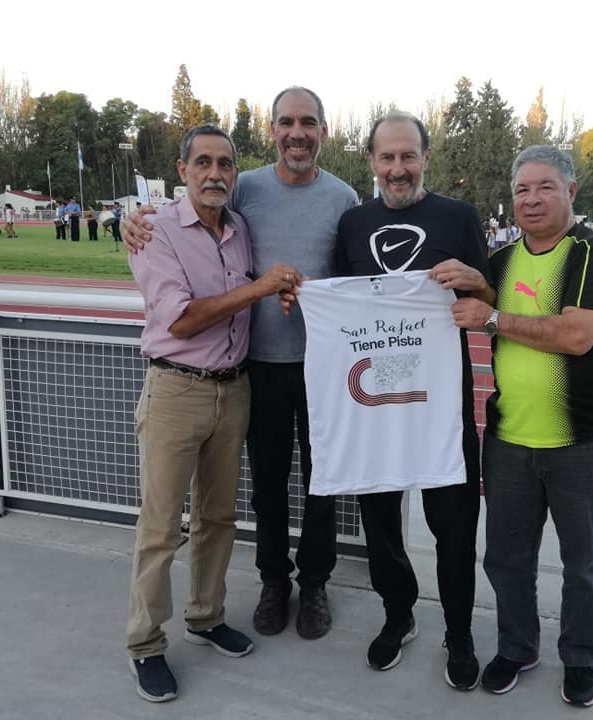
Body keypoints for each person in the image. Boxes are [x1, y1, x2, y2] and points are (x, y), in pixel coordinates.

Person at [123, 86, 358, 641]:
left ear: (323, 131)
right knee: (268, 484)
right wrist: (132, 220)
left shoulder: (343, 197)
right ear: (273, 131)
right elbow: (182, 226)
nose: (296, 132)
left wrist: (314, 293)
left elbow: (351, 282)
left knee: (324, 481)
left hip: (321, 366)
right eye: (285, 122)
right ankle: (275, 581)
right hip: (256, 365)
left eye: (308, 122)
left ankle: (315, 583)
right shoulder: (244, 187)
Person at [298, 111, 493, 690]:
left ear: (426, 157)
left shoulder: (458, 217)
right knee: (380, 521)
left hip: (440, 402)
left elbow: (490, 294)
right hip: (374, 405)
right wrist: (301, 300)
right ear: (372, 163)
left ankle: (458, 631)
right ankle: (398, 614)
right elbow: (339, 303)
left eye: (408, 156)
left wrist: (476, 283)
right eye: (387, 158)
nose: (398, 168)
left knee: (454, 525)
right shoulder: (354, 223)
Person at [125, 124, 301, 703]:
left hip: (234, 389)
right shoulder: (155, 229)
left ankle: (205, 616)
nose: (215, 173)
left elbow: (245, 294)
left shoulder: (239, 228)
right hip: (177, 391)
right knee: (160, 529)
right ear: (182, 170)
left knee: (218, 518)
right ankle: (146, 643)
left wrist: (276, 291)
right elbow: (180, 319)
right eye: (203, 162)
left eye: (225, 163)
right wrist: (258, 290)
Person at [448, 145, 593, 708]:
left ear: (571, 192)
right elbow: (464, 308)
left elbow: (576, 336)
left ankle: (579, 657)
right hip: (508, 442)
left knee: (585, 562)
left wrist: (495, 317)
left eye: (544, 187)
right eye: (522, 189)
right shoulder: (499, 265)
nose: (531, 199)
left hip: (585, 442)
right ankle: (518, 646)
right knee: (505, 558)